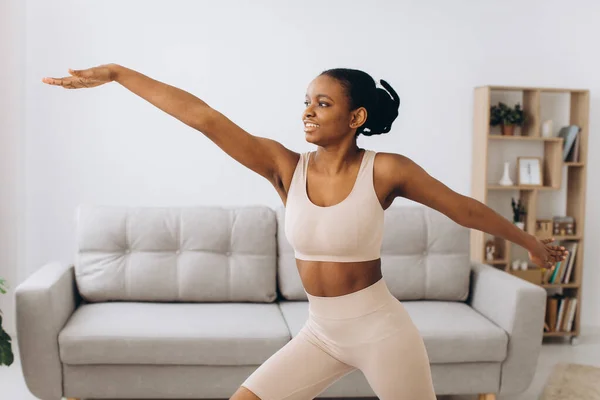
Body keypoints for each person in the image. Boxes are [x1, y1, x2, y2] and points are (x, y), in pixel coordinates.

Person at [42, 65, 568, 400]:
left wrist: (528, 243)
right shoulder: (283, 166)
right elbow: (204, 118)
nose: (307, 112)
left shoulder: (386, 170)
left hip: (381, 331)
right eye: (306, 101)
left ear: (356, 116)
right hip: (321, 333)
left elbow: (465, 210)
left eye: (323, 103)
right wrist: (117, 75)